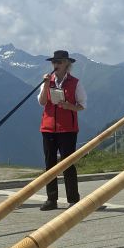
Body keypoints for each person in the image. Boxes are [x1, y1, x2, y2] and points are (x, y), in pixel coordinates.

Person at [38, 50, 87, 211]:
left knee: (68, 164)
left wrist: (69, 106)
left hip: (67, 129)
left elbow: (82, 105)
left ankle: (73, 199)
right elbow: (42, 102)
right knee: (49, 164)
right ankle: (51, 199)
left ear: (67, 64)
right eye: (54, 62)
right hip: (48, 128)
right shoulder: (48, 81)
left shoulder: (75, 83)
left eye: (59, 62)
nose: (56, 65)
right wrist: (45, 85)